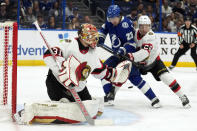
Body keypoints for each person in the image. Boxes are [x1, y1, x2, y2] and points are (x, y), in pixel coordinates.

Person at [14, 23, 132, 124]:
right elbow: (48, 54)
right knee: (64, 108)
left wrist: (115, 74)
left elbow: (101, 72)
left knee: (90, 107)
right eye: (90, 36)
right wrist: (62, 68)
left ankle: (71, 104)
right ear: (82, 36)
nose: (94, 40)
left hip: (77, 88)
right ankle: (27, 112)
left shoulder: (93, 55)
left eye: (95, 37)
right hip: (57, 84)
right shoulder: (69, 43)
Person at [99, 5, 160, 108]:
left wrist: (123, 50)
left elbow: (131, 43)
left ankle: (154, 99)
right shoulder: (110, 22)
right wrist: (100, 38)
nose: (112, 20)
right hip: (116, 55)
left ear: (119, 16)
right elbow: (104, 28)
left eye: (114, 18)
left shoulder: (126, 24)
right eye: (110, 18)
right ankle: (109, 96)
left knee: (134, 77)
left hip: (128, 55)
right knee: (103, 70)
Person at [127, 15, 190, 108]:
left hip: (154, 62)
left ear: (150, 26)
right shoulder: (134, 34)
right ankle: (111, 94)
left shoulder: (150, 36)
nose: (144, 28)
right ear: (138, 26)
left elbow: (144, 53)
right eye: (142, 26)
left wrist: (131, 56)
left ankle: (182, 96)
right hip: (139, 63)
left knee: (166, 77)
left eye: (147, 26)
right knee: (124, 73)